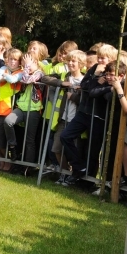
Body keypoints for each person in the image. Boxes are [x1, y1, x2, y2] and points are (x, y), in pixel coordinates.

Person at [59, 44, 119, 186]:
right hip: (83, 111)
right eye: (98, 57)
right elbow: (85, 85)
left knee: (93, 150)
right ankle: (79, 167)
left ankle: (88, 182)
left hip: (99, 116)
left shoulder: (113, 71)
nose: (100, 60)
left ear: (111, 59)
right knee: (65, 136)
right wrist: (97, 80)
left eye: (103, 58)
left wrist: (98, 86)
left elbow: (97, 91)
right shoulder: (94, 69)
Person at [41, 50, 86, 183]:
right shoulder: (64, 75)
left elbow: (85, 101)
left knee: (74, 149)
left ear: (81, 64)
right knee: (56, 148)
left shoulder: (84, 80)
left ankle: (74, 175)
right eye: (69, 60)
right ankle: (65, 173)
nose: (70, 63)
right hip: (63, 119)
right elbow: (44, 78)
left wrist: (74, 97)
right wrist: (62, 83)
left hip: (77, 121)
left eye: (74, 61)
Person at [3, 52, 44, 169]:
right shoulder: (24, 71)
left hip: (34, 110)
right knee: (8, 121)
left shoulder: (39, 73)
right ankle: (12, 146)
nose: (24, 65)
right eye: (23, 62)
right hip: (21, 107)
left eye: (27, 62)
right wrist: (25, 67)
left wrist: (26, 67)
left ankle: (28, 168)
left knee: (29, 139)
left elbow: (26, 80)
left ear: (35, 62)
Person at [0, 48, 23, 172]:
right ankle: (1, 163)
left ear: (19, 62)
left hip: (10, 108)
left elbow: (13, 79)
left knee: (4, 140)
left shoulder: (21, 72)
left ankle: (8, 164)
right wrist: (4, 76)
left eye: (15, 60)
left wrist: (4, 77)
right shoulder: (3, 69)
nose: (12, 62)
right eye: (10, 59)